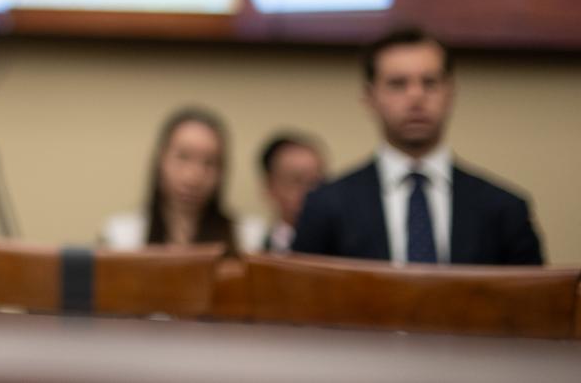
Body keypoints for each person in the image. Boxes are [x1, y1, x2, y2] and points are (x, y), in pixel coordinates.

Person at [293, 28, 543, 265]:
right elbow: (300, 302)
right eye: (398, 84)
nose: (416, 96)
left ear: (450, 93)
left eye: (430, 82)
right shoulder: (325, 206)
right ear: (370, 97)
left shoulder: (504, 209)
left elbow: (537, 304)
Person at [101, 107, 236, 251]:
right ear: (161, 160)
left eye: (209, 163)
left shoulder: (249, 238)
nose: (194, 176)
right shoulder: (120, 236)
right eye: (183, 157)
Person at [238, 132, 325, 255]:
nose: (310, 191)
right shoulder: (248, 245)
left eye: (317, 181)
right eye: (297, 181)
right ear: (269, 187)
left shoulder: (343, 244)